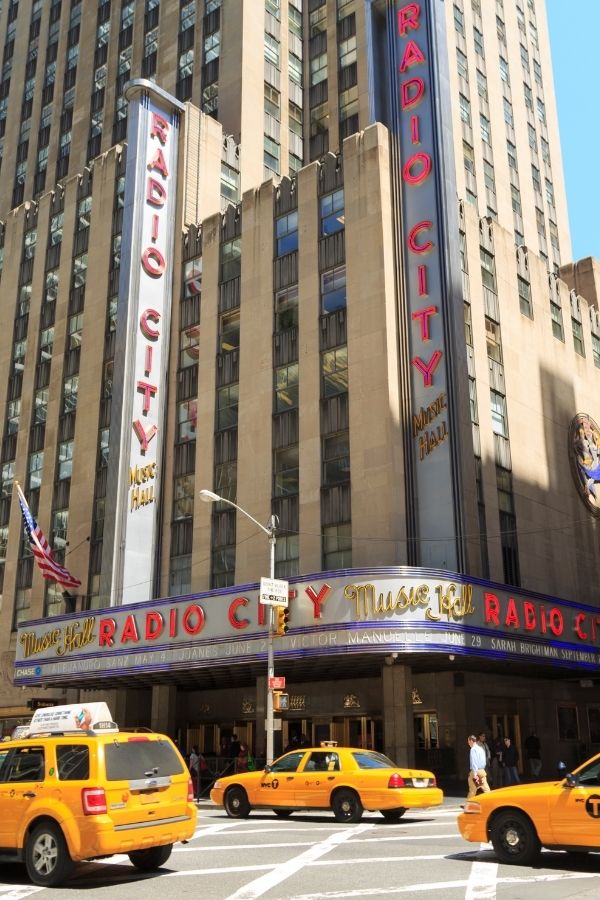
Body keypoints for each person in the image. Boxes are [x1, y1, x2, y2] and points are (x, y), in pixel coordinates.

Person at [467, 734, 490, 799]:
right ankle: (490, 801)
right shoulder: (480, 748)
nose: (468, 743)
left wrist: (475, 774)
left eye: (468, 741)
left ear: (471, 741)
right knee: (486, 789)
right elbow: (484, 761)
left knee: (472, 789)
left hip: (476, 771)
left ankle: (469, 803)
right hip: (482, 771)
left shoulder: (473, 749)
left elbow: (474, 762)